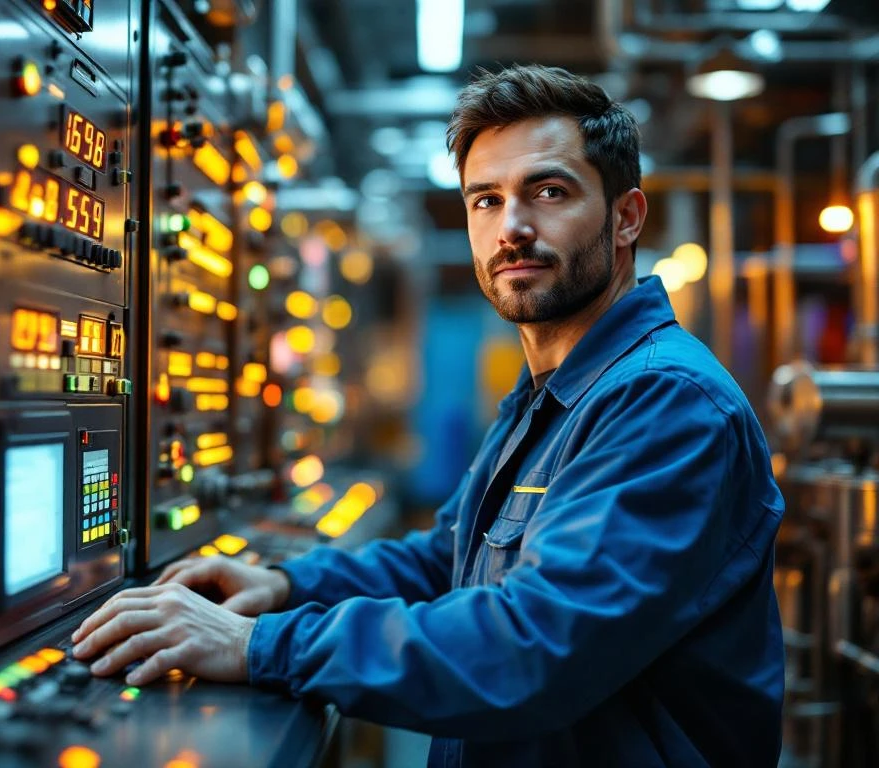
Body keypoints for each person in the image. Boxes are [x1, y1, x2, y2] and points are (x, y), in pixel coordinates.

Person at [72, 64, 785, 767]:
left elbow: (536, 646)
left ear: (625, 218)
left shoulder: (664, 401)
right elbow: (448, 560)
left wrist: (260, 645)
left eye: (549, 192)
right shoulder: (552, 394)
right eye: (486, 200)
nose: (512, 228)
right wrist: (287, 586)